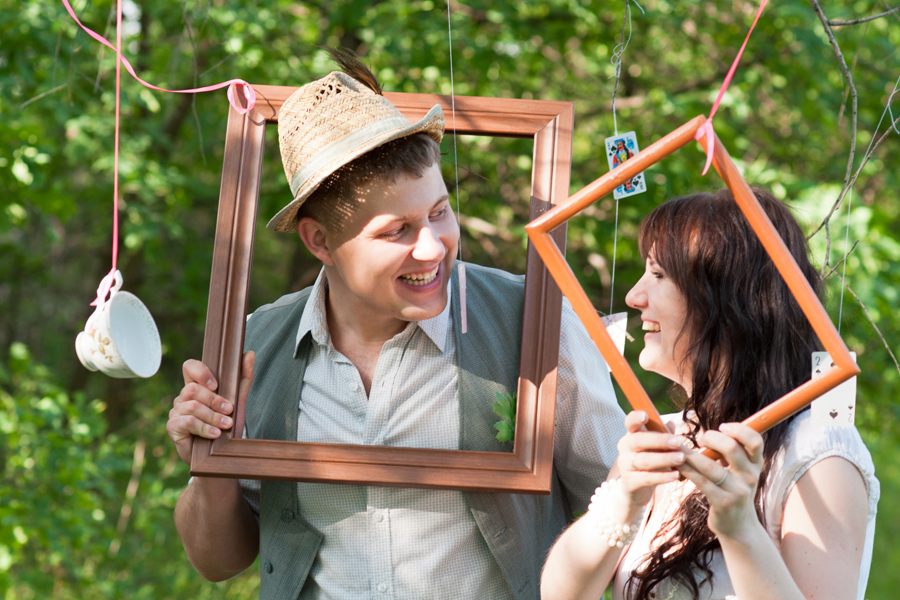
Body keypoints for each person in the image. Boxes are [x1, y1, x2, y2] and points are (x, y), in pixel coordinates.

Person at [166, 51, 625, 600]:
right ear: (319, 241)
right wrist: (209, 460)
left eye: (439, 212)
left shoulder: (537, 321)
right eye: (396, 231)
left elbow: (627, 510)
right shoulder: (255, 344)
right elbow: (216, 562)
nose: (433, 247)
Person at [541, 188, 879, 600]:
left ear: (729, 299)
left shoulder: (817, 450)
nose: (634, 296)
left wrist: (740, 530)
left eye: (659, 275)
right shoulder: (664, 437)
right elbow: (561, 594)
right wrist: (624, 500)